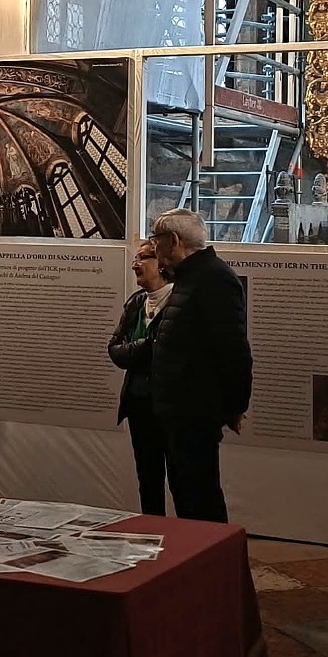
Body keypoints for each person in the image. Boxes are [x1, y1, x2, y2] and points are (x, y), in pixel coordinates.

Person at [148, 209, 253, 522]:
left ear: (174, 240)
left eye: (156, 240)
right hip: (180, 409)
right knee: (186, 493)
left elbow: (233, 350)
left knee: (200, 497)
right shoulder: (190, 278)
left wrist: (235, 406)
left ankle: (212, 551)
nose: (153, 247)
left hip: (195, 409)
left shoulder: (213, 279)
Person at [107, 239, 174, 516]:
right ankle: (153, 527)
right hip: (138, 404)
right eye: (136, 258)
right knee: (147, 476)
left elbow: (170, 353)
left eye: (144, 258)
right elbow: (114, 349)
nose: (135, 264)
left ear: (163, 264)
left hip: (170, 406)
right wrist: (147, 346)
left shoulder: (178, 302)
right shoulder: (136, 303)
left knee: (181, 478)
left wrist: (139, 350)